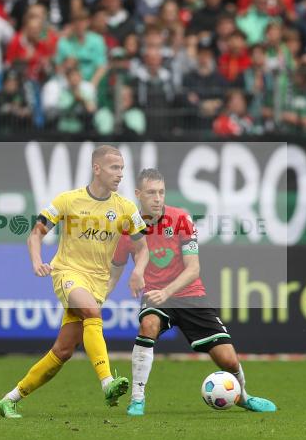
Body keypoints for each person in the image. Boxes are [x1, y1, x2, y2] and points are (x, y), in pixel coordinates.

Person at [0, 145, 150, 418]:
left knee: (63, 351)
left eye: (122, 169)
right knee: (92, 312)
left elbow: (142, 248)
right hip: (67, 273)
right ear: (97, 168)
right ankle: (107, 383)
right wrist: (36, 261)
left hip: (98, 283)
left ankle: (10, 398)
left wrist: (138, 270)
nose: (120, 174)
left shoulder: (125, 208)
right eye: (115, 168)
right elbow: (35, 234)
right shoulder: (68, 200)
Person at [108, 168, 277, 416]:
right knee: (149, 324)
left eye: (161, 192)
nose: (157, 198)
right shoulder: (127, 229)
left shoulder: (181, 219)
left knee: (228, 360)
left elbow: (193, 268)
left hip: (190, 295)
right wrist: (100, 297)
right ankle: (137, 399)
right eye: (151, 192)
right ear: (138, 194)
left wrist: (166, 292)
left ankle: (244, 396)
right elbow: (115, 269)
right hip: (155, 296)